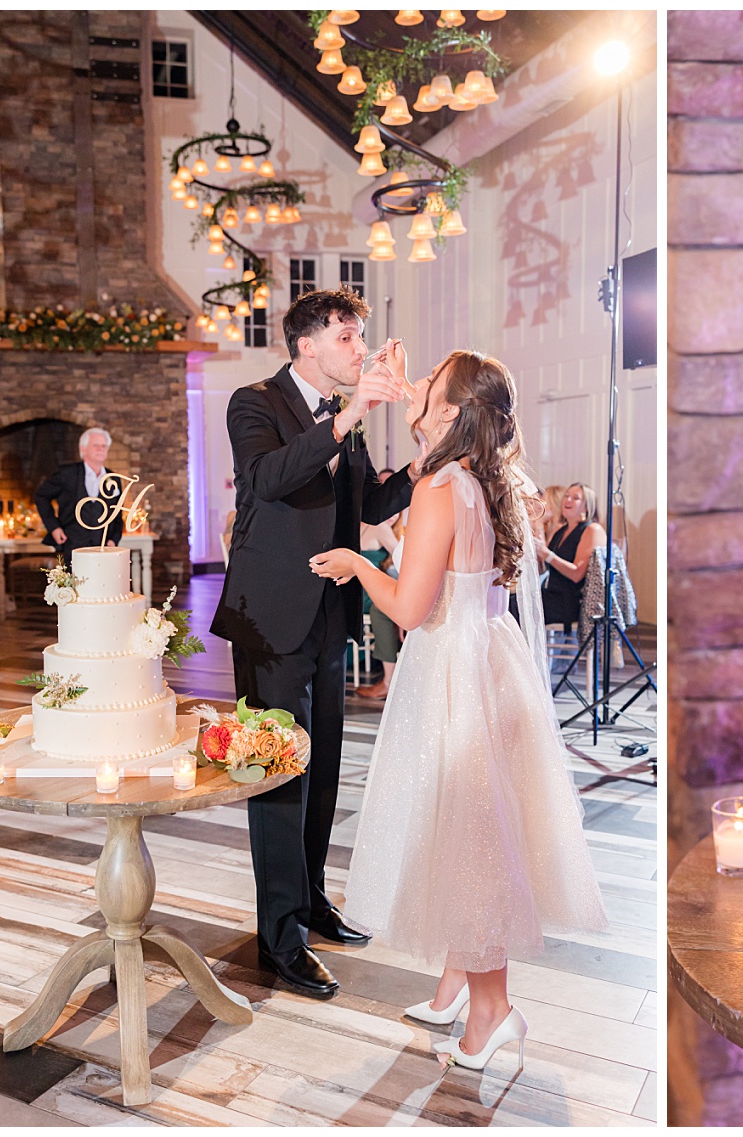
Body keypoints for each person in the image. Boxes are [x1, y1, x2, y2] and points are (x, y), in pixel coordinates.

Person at [309, 350, 606, 1070]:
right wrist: (411, 390)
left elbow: (411, 607)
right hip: (492, 659)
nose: (415, 395)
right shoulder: (486, 474)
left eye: (429, 389)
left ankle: (494, 1009)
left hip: (453, 669)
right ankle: (453, 985)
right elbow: (435, 433)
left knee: (472, 841)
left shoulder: (441, 487)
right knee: (469, 827)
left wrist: (357, 563)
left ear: (449, 412)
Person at [210, 288, 414, 999]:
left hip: (331, 616)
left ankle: (313, 899)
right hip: (270, 620)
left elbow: (369, 506)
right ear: (307, 344)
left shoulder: (340, 420)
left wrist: (428, 457)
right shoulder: (253, 401)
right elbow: (266, 479)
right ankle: (279, 937)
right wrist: (350, 416)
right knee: (276, 777)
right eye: (350, 338)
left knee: (322, 768)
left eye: (361, 339)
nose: (361, 350)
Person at [33, 428, 124, 557]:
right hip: (73, 545)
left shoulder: (113, 478)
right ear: (83, 449)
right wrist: (54, 527)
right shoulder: (67, 474)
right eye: (96, 445)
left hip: (103, 547)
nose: (101, 449)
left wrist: (114, 539)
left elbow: (117, 513)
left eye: (104, 446)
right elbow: (41, 496)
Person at [536, 482, 603, 631]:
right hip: (551, 594)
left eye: (575, 498)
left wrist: (546, 553)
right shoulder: (561, 530)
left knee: (517, 607)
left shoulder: (592, 530)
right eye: (566, 496)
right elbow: (544, 569)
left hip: (570, 601)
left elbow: (577, 574)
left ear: (586, 506)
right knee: (515, 600)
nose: (568, 500)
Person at [354, 510, 403, 700]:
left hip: (358, 592)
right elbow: (404, 560)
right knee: (385, 607)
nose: (392, 514)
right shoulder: (380, 527)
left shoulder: (365, 524)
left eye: (397, 510)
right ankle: (388, 682)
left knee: (387, 606)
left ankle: (389, 680)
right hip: (366, 593)